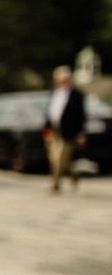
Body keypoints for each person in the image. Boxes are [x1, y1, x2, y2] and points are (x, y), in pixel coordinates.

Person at [45, 64, 87, 193]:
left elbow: (81, 115)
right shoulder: (54, 92)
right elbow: (49, 111)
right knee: (54, 158)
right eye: (59, 79)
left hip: (68, 132)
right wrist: (46, 128)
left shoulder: (77, 95)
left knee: (59, 158)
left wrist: (81, 133)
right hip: (53, 130)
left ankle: (55, 184)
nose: (62, 82)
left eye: (64, 79)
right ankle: (73, 174)